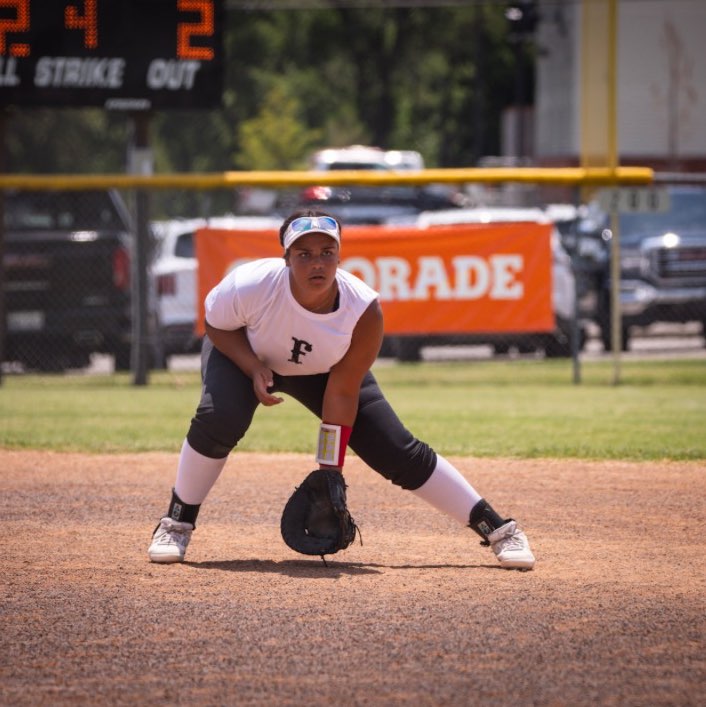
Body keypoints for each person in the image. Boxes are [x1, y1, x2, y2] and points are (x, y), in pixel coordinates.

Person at [148, 209, 535, 570]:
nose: (317, 262)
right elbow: (216, 325)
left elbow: (344, 392)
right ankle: (177, 522)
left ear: (339, 257)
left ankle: (498, 528)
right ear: (286, 259)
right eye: (303, 254)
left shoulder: (362, 310)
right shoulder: (252, 285)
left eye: (327, 252)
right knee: (220, 417)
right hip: (246, 353)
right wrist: (252, 367)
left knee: (395, 448)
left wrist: (329, 472)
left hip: (327, 374)